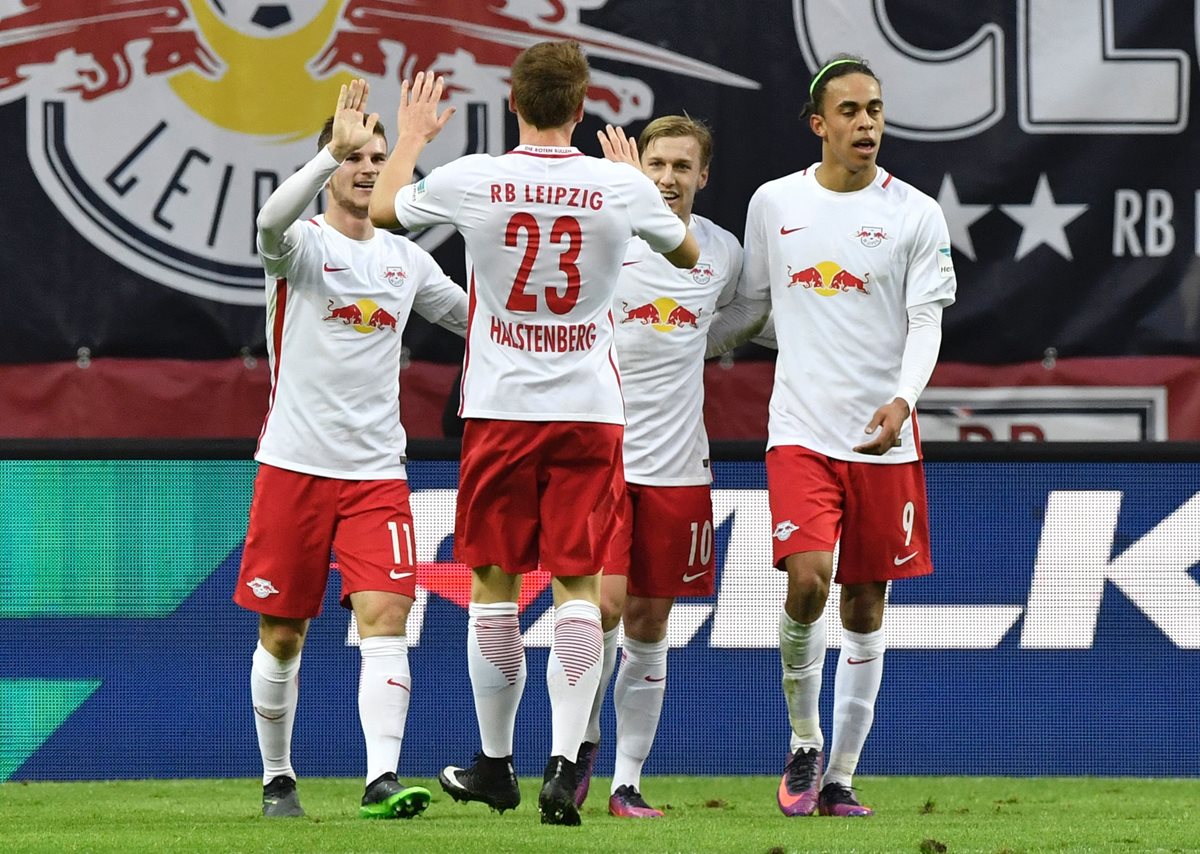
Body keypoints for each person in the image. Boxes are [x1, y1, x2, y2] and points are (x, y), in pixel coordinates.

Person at [369, 40, 699, 826]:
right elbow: (685, 252)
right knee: (580, 587)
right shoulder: (616, 183)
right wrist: (627, 188)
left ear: (513, 101)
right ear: (584, 108)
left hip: (503, 408)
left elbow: (383, 211)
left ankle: (493, 763)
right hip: (589, 408)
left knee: (492, 584)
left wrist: (412, 136)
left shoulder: (474, 176)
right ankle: (563, 767)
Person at [233, 78, 468, 820]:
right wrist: (321, 153)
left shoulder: (405, 261)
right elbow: (267, 225)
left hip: (375, 476)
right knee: (282, 632)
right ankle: (278, 779)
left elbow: (481, 322)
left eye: (376, 157)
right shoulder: (301, 247)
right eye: (353, 156)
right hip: (294, 468)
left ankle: (382, 779)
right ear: (329, 162)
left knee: (387, 619)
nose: (367, 168)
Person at [739, 54, 956, 817]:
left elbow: (927, 320)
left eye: (876, 109)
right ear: (818, 124)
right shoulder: (773, 204)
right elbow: (752, 308)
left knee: (866, 606)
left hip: (884, 440)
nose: (867, 123)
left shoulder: (916, 214)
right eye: (852, 111)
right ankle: (804, 741)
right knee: (808, 581)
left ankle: (841, 778)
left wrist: (902, 401)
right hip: (799, 431)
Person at [571, 115, 754, 819]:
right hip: (604, 461)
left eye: (683, 166)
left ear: (703, 177)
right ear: (638, 168)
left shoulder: (723, 252)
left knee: (650, 624)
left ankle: (625, 782)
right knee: (603, 608)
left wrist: (703, 342)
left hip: (680, 467)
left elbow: (746, 314)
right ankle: (578, 741)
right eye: (657, 164)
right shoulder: (603, 238)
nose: (669, 178)